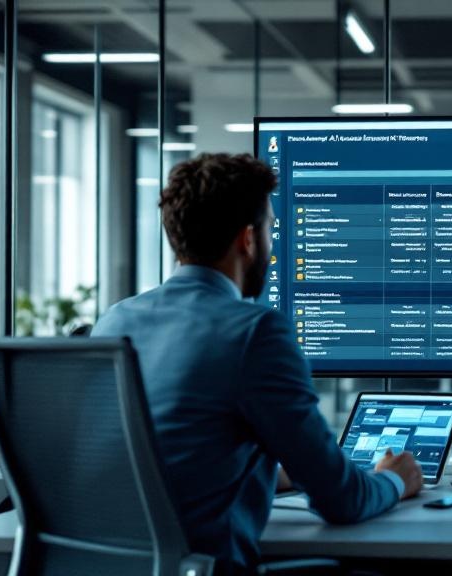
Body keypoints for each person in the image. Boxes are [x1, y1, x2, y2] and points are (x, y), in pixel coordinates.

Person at [93, 154, 422, 573]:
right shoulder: (253, 331)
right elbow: (343, 501)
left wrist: (273, 473)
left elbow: (171, 455)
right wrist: (395, 479)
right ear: (247, 239)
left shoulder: (115, 319)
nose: (272, 241)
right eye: (270, 228)